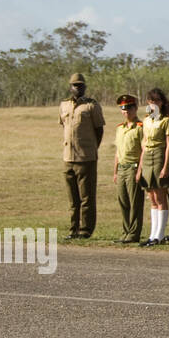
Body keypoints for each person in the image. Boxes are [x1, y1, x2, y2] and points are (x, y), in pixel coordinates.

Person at [60, 72, 105, 240]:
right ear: (70, 87)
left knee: (86, 197)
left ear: (85, 87)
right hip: (68, 158)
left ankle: (85, 230)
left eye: (80, 85)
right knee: (73, 199)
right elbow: (64, 127)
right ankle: (73, 229)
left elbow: (99, 130)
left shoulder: (91, 106)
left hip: (86, 158)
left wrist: (91, 148)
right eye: (74, 85)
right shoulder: (64, 105)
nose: (77, 88)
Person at [139, 88, 169, 245]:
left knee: (160, 196)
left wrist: (166, 165)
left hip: (160, 155)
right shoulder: (146, 121)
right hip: (147, 156)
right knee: (152, 196)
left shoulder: (167, 121)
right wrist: (140, 167)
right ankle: (153, 234)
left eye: (158, 101)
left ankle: (159, 235)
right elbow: (144, 143)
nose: (154, 105)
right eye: (152, 102)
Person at [112, 94, 144, 243]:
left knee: (134, 202)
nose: (126, 112)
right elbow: (118, 151)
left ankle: (134, 233)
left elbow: (144, 150)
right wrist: (115, 171)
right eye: (123, 109)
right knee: (123, 201)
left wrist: (140, 170)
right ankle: (126, 231)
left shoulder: (140, 127)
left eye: (129, 108)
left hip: (133, 167)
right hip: (122, 168)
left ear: (136, 108)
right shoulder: (120, 128)